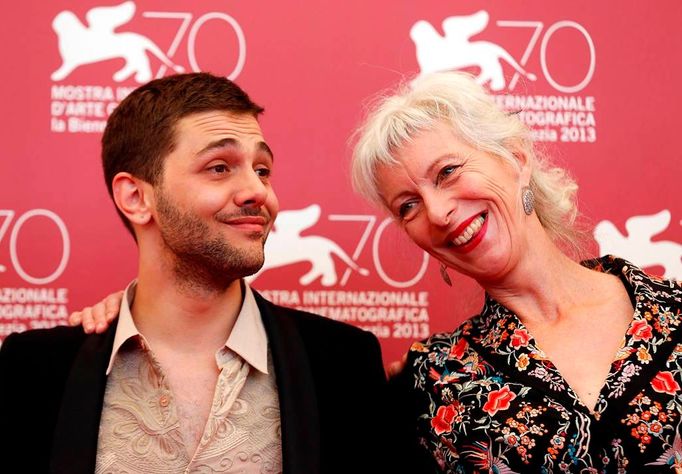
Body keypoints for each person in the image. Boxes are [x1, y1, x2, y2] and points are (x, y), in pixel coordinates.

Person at [0, 73, 390, 474]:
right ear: (136, 197)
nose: (258, 191)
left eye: (262, 169)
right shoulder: (35, 371)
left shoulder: (343, 364)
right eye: (219, 167)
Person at [350, 71, 682, 472]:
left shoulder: (675, 311)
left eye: (448, 171)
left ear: (516, 158)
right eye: (408, 206)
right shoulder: (429, 382)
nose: (437, 213)